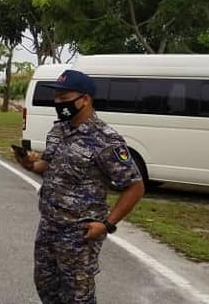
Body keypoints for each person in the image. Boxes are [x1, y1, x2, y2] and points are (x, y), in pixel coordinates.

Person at [15, 69, 145, 304]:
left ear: (84, 99)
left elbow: (135, 186)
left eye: (64, 98)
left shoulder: (105, 140)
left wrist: (107, 225)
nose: (58, 102)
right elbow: (48, 165)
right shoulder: (58, 130)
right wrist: (30, 164)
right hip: (49, 226)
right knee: (46, 287)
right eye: (56, 97)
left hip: (79, 234)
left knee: (78, 296)